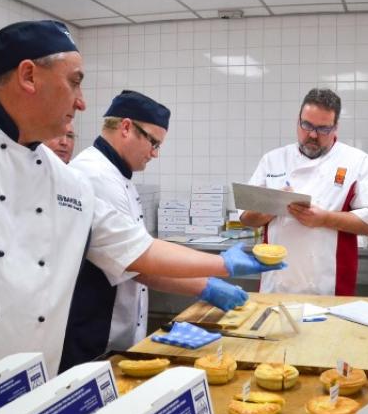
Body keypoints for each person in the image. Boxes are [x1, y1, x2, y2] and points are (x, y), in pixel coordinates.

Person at [0, 20, 281, 377]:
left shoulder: (65, 181)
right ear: (28, 76)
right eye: (75, 81)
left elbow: (136, 250)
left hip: (30, 381)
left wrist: (224, 265)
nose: (81, 103)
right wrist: (218, 271)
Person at [60, 90, 247, 371]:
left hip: (117, 335)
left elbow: (140, 251)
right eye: (154, 143)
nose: (155, 154)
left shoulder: (118, 175)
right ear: (126, 128)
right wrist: (210, 279)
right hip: (92, 334)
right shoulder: (93, 175)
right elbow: (139, 261)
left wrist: (207, 280)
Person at [239, 88, 368, 296]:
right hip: (276, 286)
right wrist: (271, 208)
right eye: (306, 125)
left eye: (323, 129)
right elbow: (246, 217)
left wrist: (324, 219)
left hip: (329, 288)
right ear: (297, 120)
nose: (313, 135)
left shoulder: (357, 161)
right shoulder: (272, 159)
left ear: (336, 128)